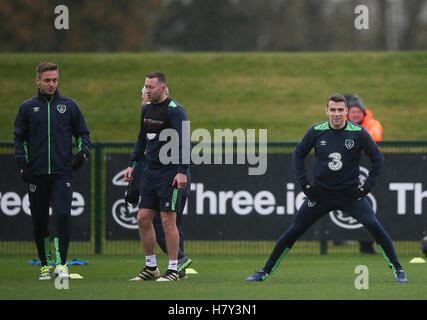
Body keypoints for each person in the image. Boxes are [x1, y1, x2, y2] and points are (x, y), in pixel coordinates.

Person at [246, 93, 408, 283]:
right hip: (321, 195)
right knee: (293, 231)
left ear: (346, 111)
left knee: (375, 226)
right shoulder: (316, 131)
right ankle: (264, 272)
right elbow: (298, 154)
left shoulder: (358, 133)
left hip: (350, 196)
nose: (337, 114)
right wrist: (305, 185)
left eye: (340, 110)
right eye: (333, 110)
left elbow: (378, 159)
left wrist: (366, 188)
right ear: (327, 111)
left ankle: (398, 270)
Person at [13, 62, 91, 280]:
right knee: (39, 220)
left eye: (55, 80)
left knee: (63, 215)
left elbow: (83, 134)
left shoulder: (70, 106)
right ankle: (45, 265)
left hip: (62, 173)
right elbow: (19, 140)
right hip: (36, 174)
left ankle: (61, 264)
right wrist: (22, 165)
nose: (51, 84)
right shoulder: (27, 108)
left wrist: (82, 154)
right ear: (37, 80)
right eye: (47, 80)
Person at [124, 71, 190, 282]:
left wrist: (182, 170)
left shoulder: (175, 111)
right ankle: (151, 267)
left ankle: (173, 269)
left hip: (169, 173)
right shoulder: (146, 109)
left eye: (151, 87)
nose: (147, 90)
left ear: (163, 88)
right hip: (150, 172)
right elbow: (141, 139)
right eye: (146, 86)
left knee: (167, 219)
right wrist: (132, 164)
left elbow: (185, 142)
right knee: (143, 218)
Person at [345, 94, 383, 254]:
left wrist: (355, 141)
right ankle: (339, 238)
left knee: (372, 208)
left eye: (358, 112)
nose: (356, 115)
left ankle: (368, 244)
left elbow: (375, 136)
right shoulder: (341, 124)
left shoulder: (373, 123)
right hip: (348, 173)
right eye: (353, 112)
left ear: (363, 112)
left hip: (371, 170)